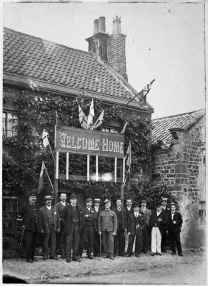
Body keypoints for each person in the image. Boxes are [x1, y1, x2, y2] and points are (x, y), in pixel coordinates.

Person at [17, 191, 38, 263]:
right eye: (32, 197)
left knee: (34, 243)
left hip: (35, 228)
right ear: (29, 199)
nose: (33, 199)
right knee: (28, 243)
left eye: (34, 197)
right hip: (28, 228)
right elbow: (19, 217)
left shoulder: (36, 207)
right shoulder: (25, 206)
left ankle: (32, 256)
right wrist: (22, 225)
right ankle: (28, 257)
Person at [37, 195, 60, 260]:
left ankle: (53, 255)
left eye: (50, 200)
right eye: (47, 200)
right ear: (45, 202)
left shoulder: (55, 208)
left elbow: (57, 219)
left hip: (53, 227)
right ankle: (45, 255)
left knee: (53, 241)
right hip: (45, 227)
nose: (49, 201)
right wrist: (41, 229)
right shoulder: (41, 209)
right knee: (45, 242)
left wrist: (58, 227)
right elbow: (39, 221)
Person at [62, 193, 83, 263]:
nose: (74, 201)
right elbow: (62, 218)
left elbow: (81, 218)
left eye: (75, 199)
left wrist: (80, 226)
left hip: (77, 227)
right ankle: (68, 257)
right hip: (70, 227)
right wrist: (66, 226)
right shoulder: (66, 208)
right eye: (73, 199)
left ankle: (75, 256)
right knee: (68, 242)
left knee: (76, 242)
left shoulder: (79, 208)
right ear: (70, 200)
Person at [55, 193, 69, 258]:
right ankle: (62, 253)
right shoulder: (57, 205)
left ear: (66, 197)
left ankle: (67, 253)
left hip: (67, 225)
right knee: (61, 239)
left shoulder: (69, 205)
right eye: (62, 196)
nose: (63, 198)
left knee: (67, 239)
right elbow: (56, 216)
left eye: (65, 196)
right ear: (60, 197)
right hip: (60, 225)